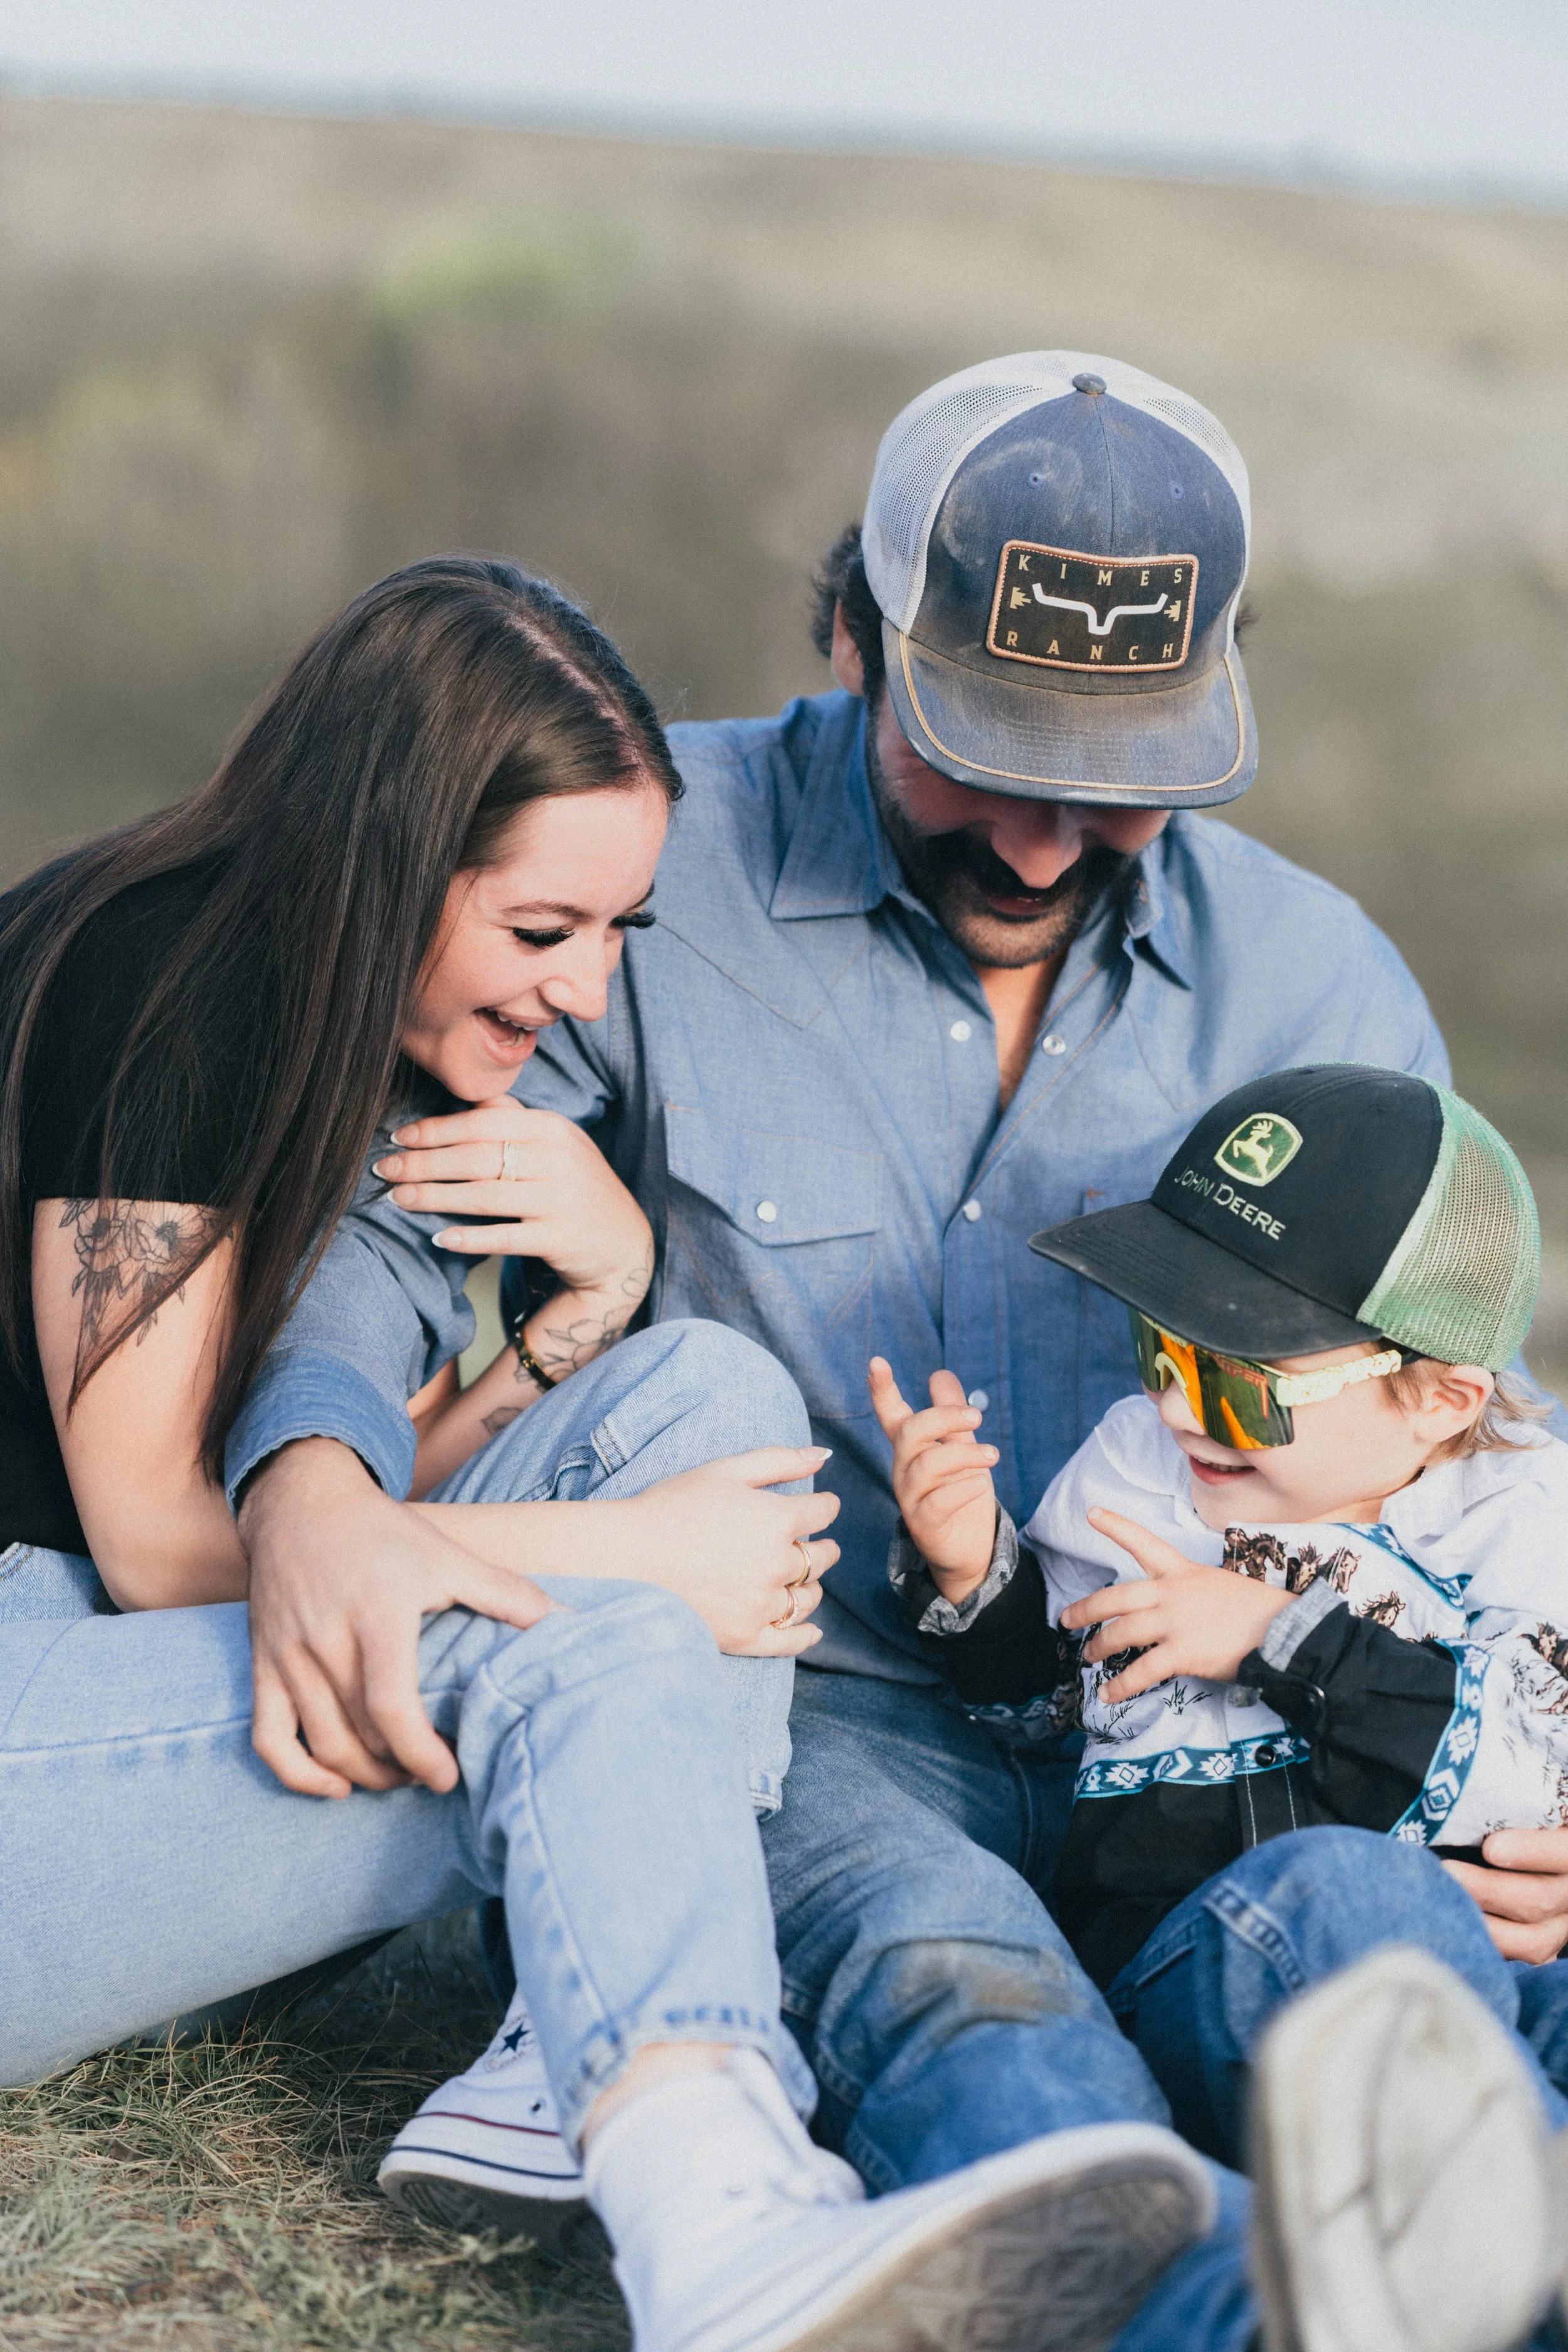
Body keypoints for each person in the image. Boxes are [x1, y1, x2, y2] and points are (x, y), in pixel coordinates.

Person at [240, 359, 1568, 2350]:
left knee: (1377, 1975)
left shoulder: (1322, 981)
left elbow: (1451, 1415)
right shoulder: (629, 889)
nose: (1038, 846)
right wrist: (318, 1495)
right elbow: (377, 1236)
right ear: (852, 632)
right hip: (817, 1718)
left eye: (1107, 780)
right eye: (982, 756)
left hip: (1239, 1755)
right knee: (967, 1994)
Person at [3, 554, 1252, 2352]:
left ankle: (567, 2051)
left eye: (618, 935)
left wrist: (586, 1304)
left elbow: (373, 1499)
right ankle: (720, 2228)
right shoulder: (162, 977)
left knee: (703, 1395)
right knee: (602, 1624)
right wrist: (631, 1564)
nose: (581, 991)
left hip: (114, 1680)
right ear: (384, 857)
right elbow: (168, 1544)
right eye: (540, 933)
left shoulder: (373, 1031)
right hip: (35, 1687)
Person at [873, 1062, 1568, 2194]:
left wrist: (1280, 1636)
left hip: (1486, 1972)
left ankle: (1484, 2229)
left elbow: (1537, 1778)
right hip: (1199, 1957)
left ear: (1439, 1397)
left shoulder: (1525, 1510)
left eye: (1240, 1381)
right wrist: (973, 1569)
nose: (1178, 1407)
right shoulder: (1142, 1467)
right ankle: (1499, 2225)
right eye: (1164, 1348)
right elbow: (1047, 1705)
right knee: (1348, 1890)